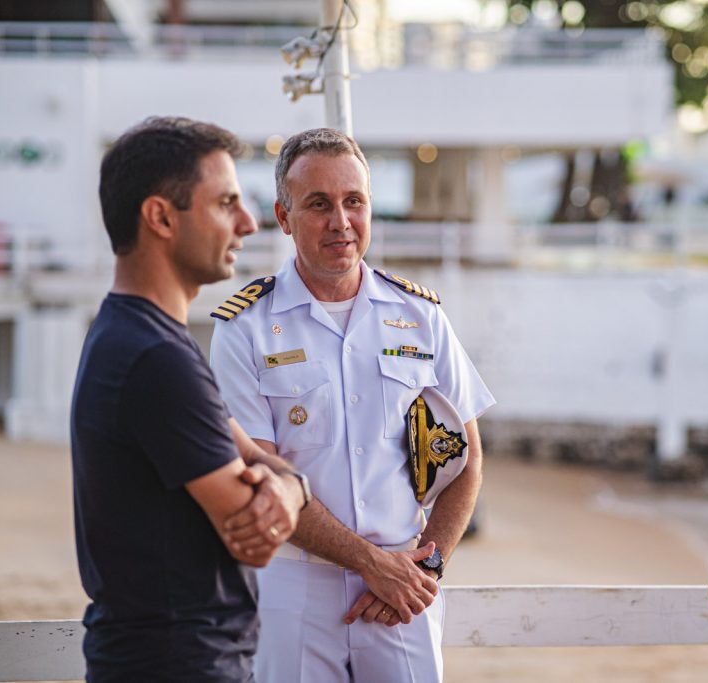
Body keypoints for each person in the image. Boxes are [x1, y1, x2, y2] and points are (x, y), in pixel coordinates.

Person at [209, 127, 495, 683]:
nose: (341, 221)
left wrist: (426, 566)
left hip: (405, 589)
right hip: (292, 588)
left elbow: (468, 463)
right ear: (284, 216)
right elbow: (255, 477)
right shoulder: (244, 329)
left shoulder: (421, 316)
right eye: (319, 204)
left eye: (354, 201)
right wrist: (372, 565)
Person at [71, 116, 312, 681]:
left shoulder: (132, 336)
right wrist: (290, 487)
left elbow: (251, 456)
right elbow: (255, 541)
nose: (249, 223)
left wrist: (289, 486)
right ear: (160, 217)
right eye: (226, 202)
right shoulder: (157, 359)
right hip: (178, 664)